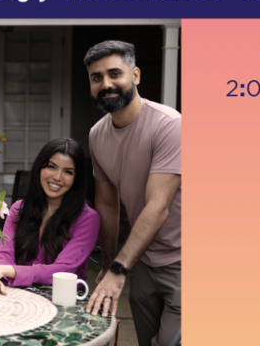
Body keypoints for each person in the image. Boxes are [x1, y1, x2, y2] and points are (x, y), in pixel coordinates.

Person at [82, 41, 182, 346]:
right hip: (142, 261)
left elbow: (158, 205)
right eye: (96, 77)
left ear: (135, 75)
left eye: (115, 73)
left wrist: (118, 269)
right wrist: (109, 266)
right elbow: (107, 203)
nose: (106, 84)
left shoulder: (169, 125)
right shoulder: (98, 134)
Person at [0, 138, 100, 299]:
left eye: (68, 172)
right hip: (19, 298)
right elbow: (3, 255)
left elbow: (62, 270)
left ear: (77, 179)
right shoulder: (19, 209)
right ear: (39, 168)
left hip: (63, 303)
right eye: (51, 167)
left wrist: (6, 271)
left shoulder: (88, 219)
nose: (57, 177)